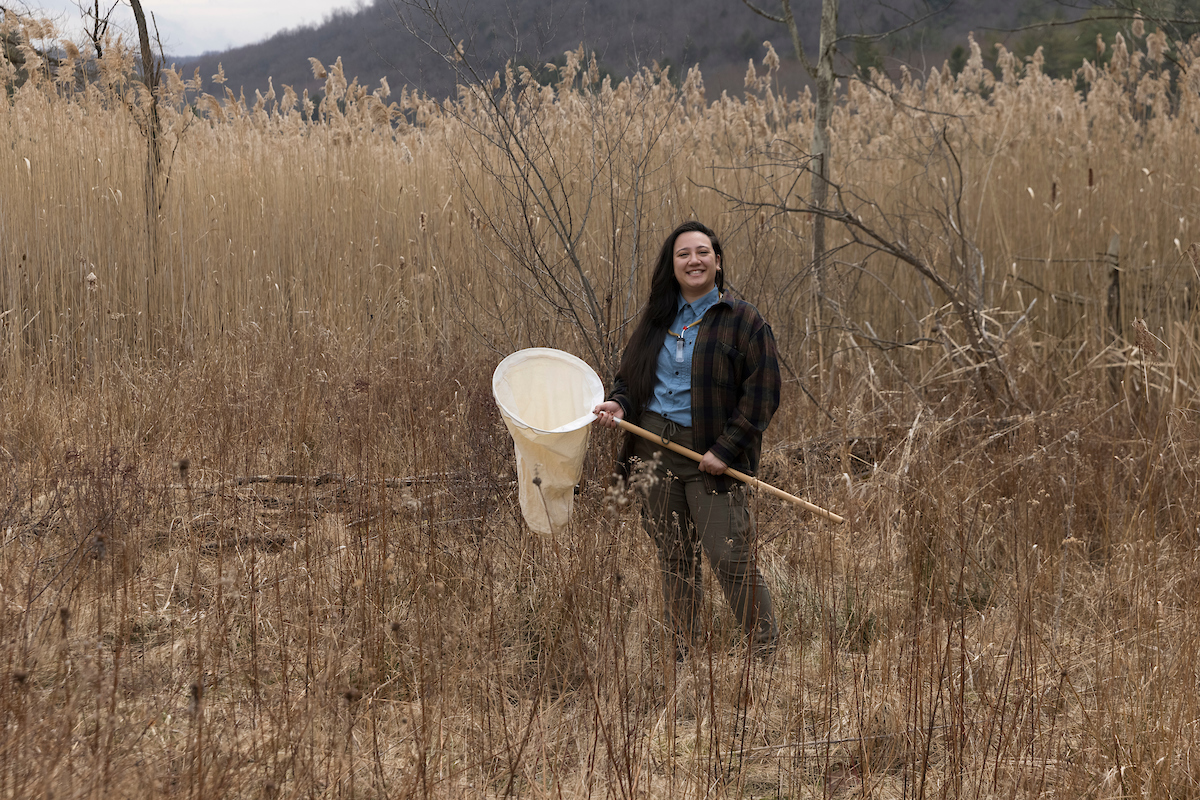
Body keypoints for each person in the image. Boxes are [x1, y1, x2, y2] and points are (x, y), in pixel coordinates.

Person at [593, 221, 781, 658]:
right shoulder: (658, 318)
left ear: (716, 260)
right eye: (683, 254)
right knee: (675, 559)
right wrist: (619, 404)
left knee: (729, 556)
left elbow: (763, 394)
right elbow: (631, 378)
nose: (693, 260)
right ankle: (684, 653)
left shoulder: (744, 321)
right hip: (652, 450)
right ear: (672, 264)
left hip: (709, 454)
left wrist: (725, 448)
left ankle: (765, 655)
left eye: (702, 252)